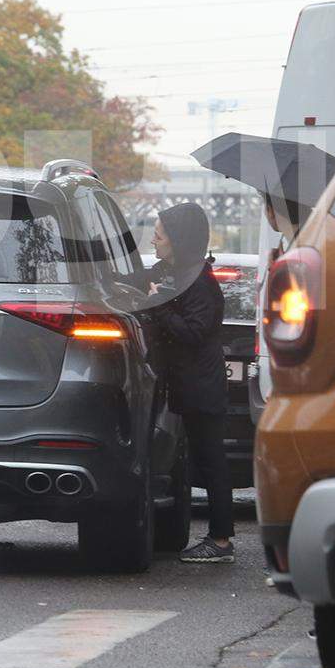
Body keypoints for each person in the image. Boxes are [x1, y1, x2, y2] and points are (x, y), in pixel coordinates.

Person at [147, 202, 234, 563]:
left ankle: (222, 540)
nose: (154, 240)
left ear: (178, 240)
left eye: (159, 235)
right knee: (197, 458)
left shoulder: (201, 284)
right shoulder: (176, 273)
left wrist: (159, 304)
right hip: (185, 385)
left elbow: (194, 332)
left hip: (202, 386)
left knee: (212, 460)